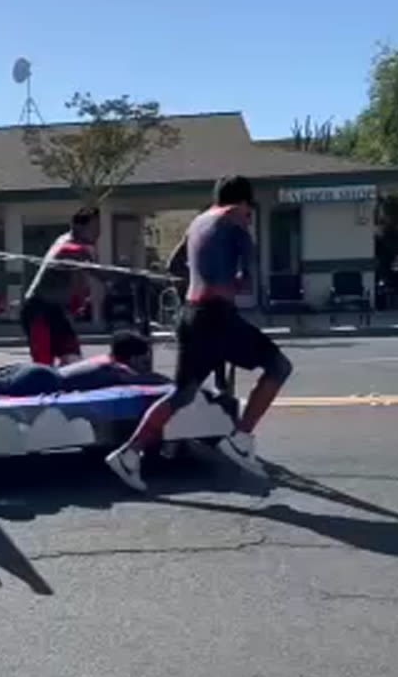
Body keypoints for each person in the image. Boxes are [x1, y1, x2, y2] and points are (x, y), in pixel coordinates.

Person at [106, 175, 293, 491]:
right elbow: (247, 273)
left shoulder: (198, 222)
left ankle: (129, 454)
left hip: (191, 315)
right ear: (243, 202)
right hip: (218, 316)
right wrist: (234, 277)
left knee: (182, 393)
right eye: (249, 208)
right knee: (279, 367)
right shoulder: (235, 219)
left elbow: (175, 264)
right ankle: (241, 439)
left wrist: (204, 276)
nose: (248, 214)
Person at [0, 330, 161, 408]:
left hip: (36, 370)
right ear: (132, 357)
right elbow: (147, 383)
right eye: (142, 358)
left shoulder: (104, 358)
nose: (144, 364)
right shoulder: (120, 369)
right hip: (42, 381)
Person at [20, 207, 101, 366]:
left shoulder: (76, 246)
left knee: (73, 359)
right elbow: (98, 273)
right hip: (38, 311)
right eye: (94, 228)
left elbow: (79, 279)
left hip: (56, 312)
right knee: (44, 367)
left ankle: (65, 386)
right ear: (78, 227)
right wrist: (129, 275)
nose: (98, 232)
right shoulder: (68, 246)